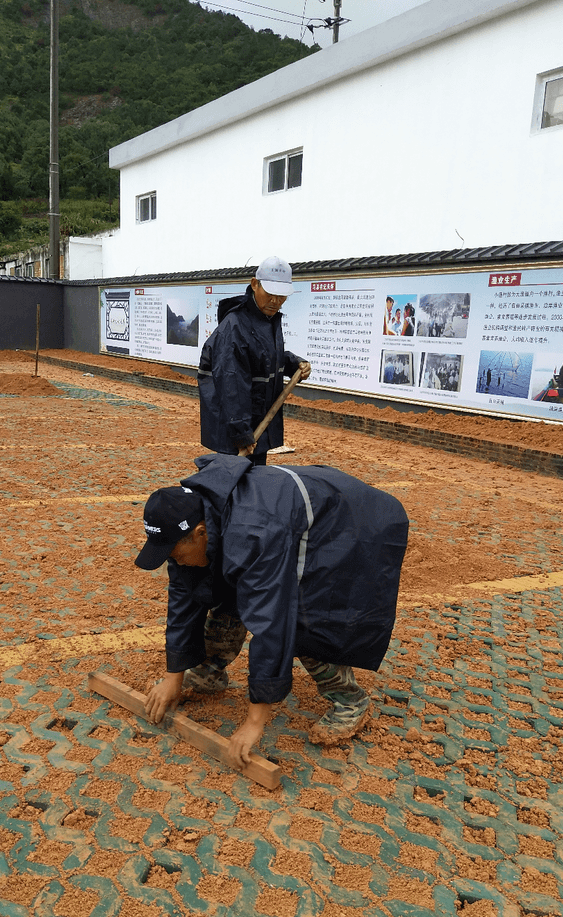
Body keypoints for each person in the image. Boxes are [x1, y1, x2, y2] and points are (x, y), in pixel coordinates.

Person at [134, 454, 409, 768]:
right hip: (288, 520)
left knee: (307, 618)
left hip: (349, 526)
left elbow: (271, 621)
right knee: (217, 583)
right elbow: (184, 594)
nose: (174, 560)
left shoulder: (253, 532)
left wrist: (255, 720)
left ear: (200, 532)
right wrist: (174, 676)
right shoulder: (196, 522)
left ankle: (349, 700)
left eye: (174, 553)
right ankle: (209, 672)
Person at [198, 256, 311, 466]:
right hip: (235, 428)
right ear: (254, 284)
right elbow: (231, 383)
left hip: (256, 423)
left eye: (281, 296)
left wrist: (295, 364)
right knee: (235, 486)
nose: (276, 301)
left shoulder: (267, 319)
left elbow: (266, 357)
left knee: (253, 486)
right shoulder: (235, 327)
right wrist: (241, 434)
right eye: (270, 293)